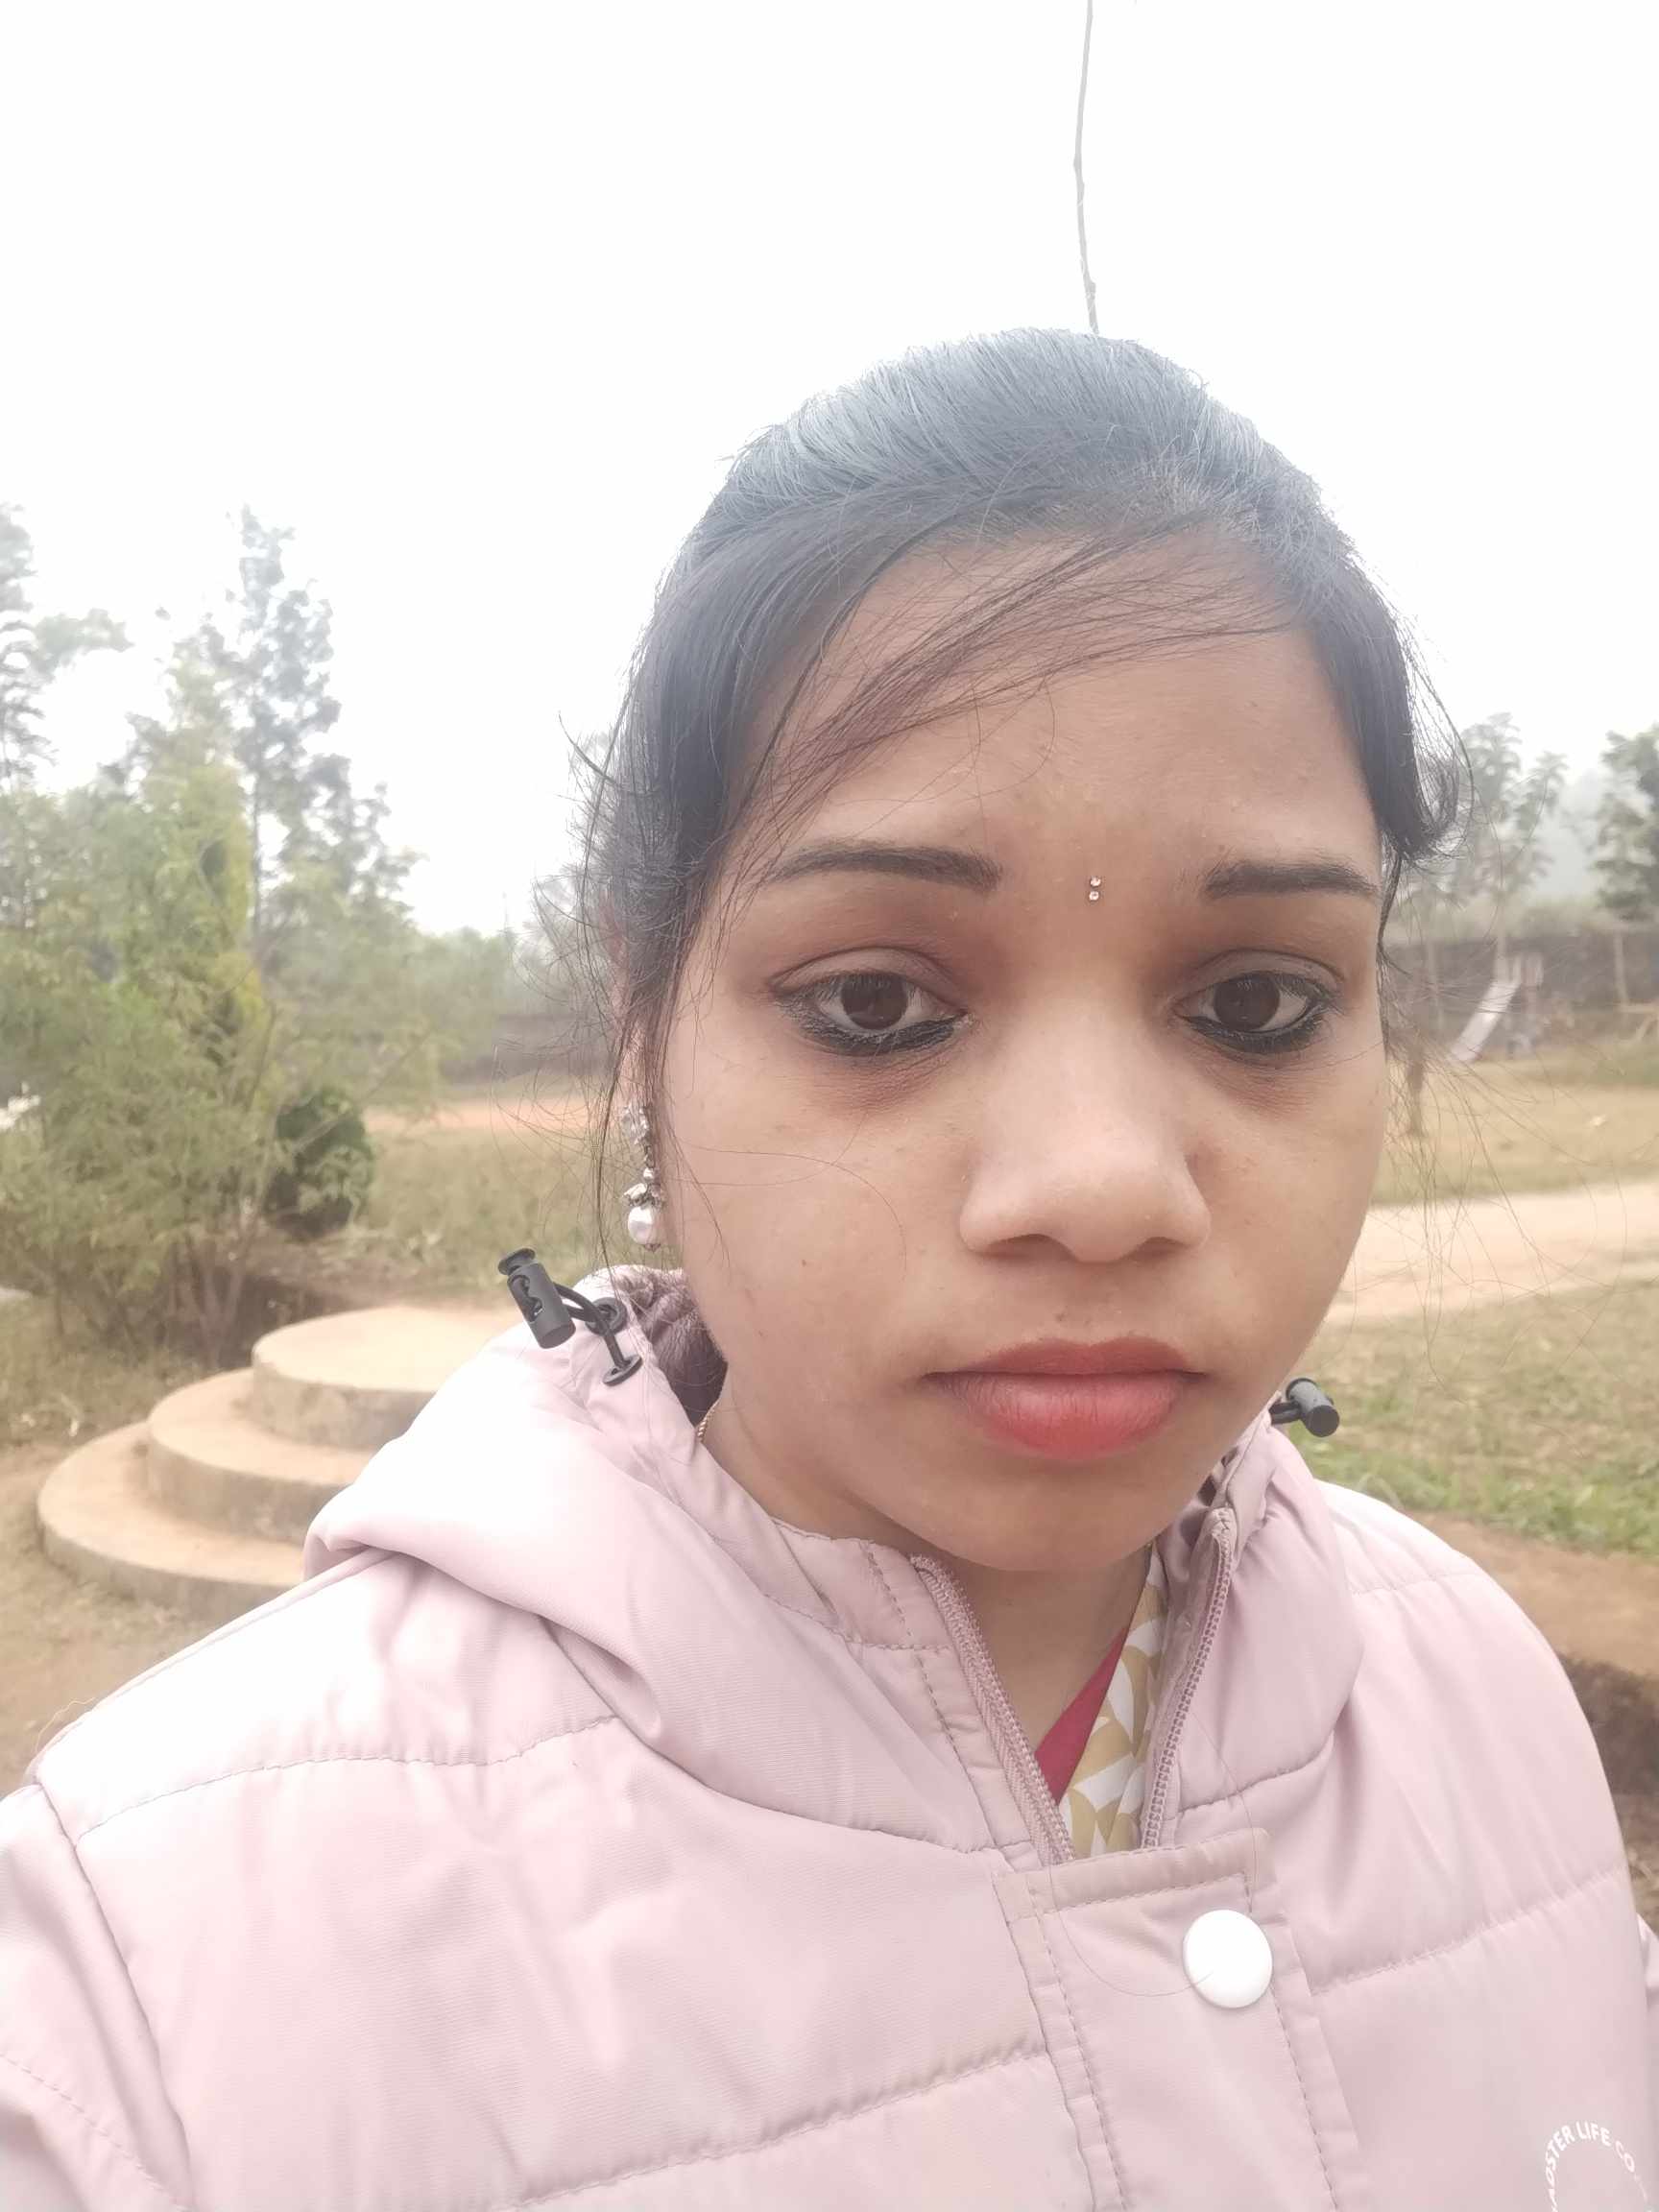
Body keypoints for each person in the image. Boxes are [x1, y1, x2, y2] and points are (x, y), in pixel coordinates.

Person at [2, 330, 1654, 2211]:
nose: (1099, 1188)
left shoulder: (1482, 1702)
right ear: (645, 1019)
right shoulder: (145, 1996)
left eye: (1260, 1004)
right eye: (877, 1005)